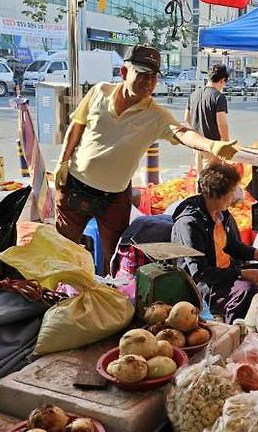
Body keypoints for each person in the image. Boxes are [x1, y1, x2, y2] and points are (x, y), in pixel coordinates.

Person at [53, 45, 236, 271]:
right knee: (62, 250)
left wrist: (213, 145)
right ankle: (58, 297)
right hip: (75, 186)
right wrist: (62, 161)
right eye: (142, 74)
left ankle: (109, 296)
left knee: (116, 258)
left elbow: (182, 132)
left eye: (153, 77)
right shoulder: (99, 92)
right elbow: (77, 126)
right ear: (124, 72)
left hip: (114, 197)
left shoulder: (155, 115)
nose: (148, 82)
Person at [171, 162, 258, 323]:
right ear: (216, 194)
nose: (233, 198)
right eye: (231, 193)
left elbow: (233, 246)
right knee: (246, 289)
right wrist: (243, 274)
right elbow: (200, 273)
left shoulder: (222, 214)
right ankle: (235, 330)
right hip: (203, 285)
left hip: (225, 272)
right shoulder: (190, 224)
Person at [185, 63, 230, 143]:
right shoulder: (219, 97)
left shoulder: (193, 95)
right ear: (222, 80)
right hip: (211, 145)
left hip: (196, 144)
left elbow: (187, 120)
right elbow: (222, 125)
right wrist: (226, 144)